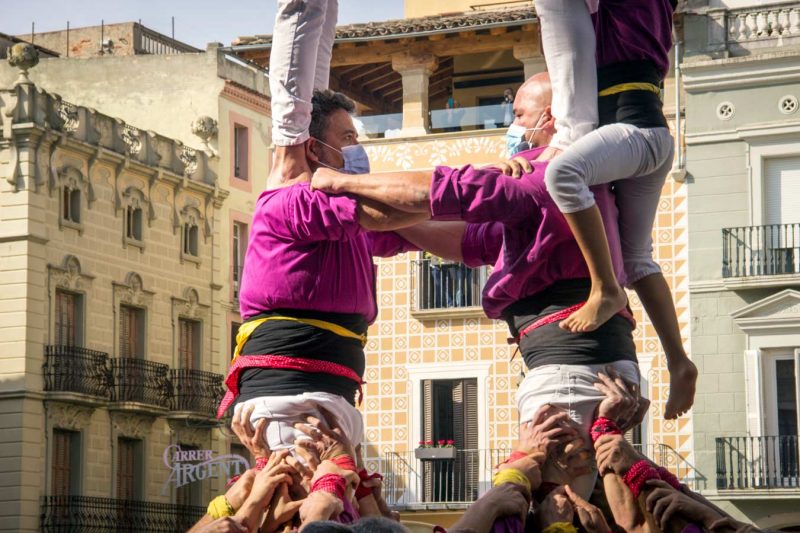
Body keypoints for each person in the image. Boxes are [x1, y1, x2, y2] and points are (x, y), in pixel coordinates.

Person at [310, 73, 649, 498]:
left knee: (558, 510)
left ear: (550, 118)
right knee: (596, 508)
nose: (510, 127)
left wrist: (343, 183)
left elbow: (449, 192)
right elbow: (472, 239)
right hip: (587, 363)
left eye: (518, 114)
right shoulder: (582, 188)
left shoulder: (551, 174)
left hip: (568, 368)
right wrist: (383, 224)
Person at [218, 90, 427, 458]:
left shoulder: (343, 219)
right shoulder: (294, 201)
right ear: (315, 149)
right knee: (310, 506)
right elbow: (395, 213)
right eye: (348, 139)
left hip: (329, 389)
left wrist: (497, 200)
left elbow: (434, 229)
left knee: (336, 504)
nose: (357, 148)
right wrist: (471, 189)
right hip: (294, 390)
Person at [268, 0, 339, 188]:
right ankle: (290, 157)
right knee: (313, 8)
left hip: (297, 177)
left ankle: (292, 154)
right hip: (295, 177)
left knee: (315, 8)